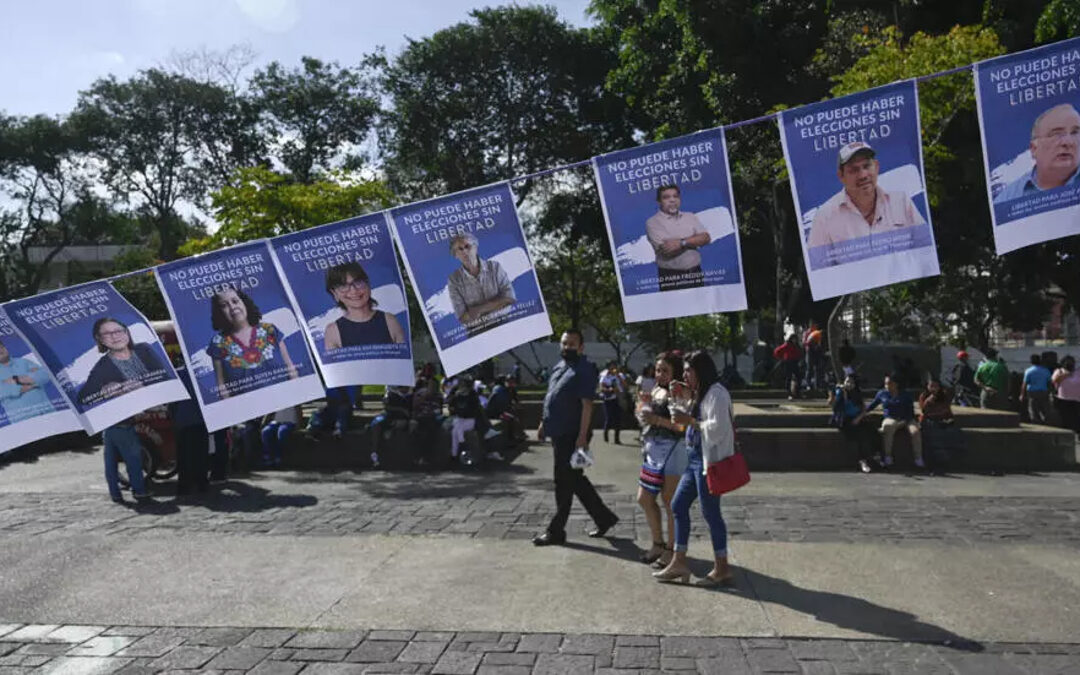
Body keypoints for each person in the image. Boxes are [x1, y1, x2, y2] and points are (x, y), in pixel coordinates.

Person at [653, 351, 734, 587]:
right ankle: (679, 561)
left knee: (711, 513)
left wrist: (689, 421)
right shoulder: (702, 393)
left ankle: (722, 567)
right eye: (685, 370)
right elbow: (694, 414)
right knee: (678, 505)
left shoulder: (717, 393)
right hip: (694, 460)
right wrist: (684, 398)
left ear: (701, 371)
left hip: (709, 463)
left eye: (689, 370)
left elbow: (717, 428)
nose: (685, 374)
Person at [532, 329, 618, 546]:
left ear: (581, 347)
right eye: (564, 343)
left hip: (572, 433)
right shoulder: (559, 367)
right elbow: (551, 397)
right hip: (557, 431)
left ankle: (556, 531)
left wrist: (582, 436)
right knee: (575, 480)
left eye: (572, 344)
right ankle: (604, 518)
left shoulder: (584, 369)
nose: (567, 347)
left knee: (563, 482)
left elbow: (587, 406)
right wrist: (544, 422)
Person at [807, 141, 925, 250]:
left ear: (877, 167)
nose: (863, 175)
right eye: (854, 170)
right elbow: (820, 268)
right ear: (841, 176)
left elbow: (925, 248)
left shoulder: (901, 201)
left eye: (867, 166)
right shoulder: (824, 217)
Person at [635, 351, 689, 567]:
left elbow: (683, 426)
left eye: (665, 370)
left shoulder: (680, 392)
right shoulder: (655, 390)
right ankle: (657, 542)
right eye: (658, 370)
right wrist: (642, 409)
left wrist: (657, 419)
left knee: (670, 501)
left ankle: (671, 549)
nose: (660, 374)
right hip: (653, 449)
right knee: (644, 497)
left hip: (675, 449)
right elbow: (644, 417)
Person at [207, 287, 298, 399]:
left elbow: (290, 367)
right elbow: (222, 387)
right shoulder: (218, 343)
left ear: (244, 303)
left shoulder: (269, 330)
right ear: (219, 312)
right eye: (224, 305)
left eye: (235, 301)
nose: (232, 307)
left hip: (286, 401)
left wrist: (296, 397)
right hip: (247, 411)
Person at [994, 103, 1080, 203]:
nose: (1068, 142)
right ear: (1034, 149)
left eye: (1075, 133)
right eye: (1057, 134)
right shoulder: (1007, 198)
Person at [78, 318, 168, 408]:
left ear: (126, 332)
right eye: (106, 334)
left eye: (118, 331)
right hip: (137, 411)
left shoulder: (144, 349)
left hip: (165, 400)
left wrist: (142, 385)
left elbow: (165, 376)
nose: (114, 336)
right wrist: (103, 390)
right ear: (100, 339)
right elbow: (82, 398)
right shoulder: (102, 366)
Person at [322, 262, 406, 350]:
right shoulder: (333, 331)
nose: (353, 291)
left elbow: (404, 361)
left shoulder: (389, 320)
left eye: (358, 282)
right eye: (343, 286)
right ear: (334, 293)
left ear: (368, 284)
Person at [645, 184, 712, 291]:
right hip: (671, 278)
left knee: (699, 307)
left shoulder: (690, 216)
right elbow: (668, 251)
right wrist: (694, 240)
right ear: (659, 201)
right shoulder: (652, 222)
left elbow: (706, 238)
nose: (672, 200)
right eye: (666, 197)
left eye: (675, 196)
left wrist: (681, 242)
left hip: (696, 274)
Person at [446, 232, 516, 331]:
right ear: (455, 255)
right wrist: (497, 303)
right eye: (460, 249)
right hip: (478, 332)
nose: (465, 251)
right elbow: (462, 317)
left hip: (506, 323)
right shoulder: (454, 280)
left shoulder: (495, 267)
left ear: (475, 247)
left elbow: (510, 298)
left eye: (467, 246)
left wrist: (478, 309)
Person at [865, 373, 924, 469]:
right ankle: (888, 456)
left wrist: (905, 421)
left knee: (915, 432)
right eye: (886, 384)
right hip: (890, 418)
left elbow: (910, 411)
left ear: (896, 384)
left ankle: (918, 459)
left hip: (906, 418)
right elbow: (871, 406)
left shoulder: (905, 395)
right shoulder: (882, 394)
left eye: (889, 383)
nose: (887, 386)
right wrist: (861, 412)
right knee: (888, 427)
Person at [170, 361, 209, 497]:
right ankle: (201, 483)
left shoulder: (178, 373)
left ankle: (184, 486)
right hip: (200, 419)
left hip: (183, 420)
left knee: (184, 455)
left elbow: (172, 399)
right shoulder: (202, 373)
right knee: (201, 454)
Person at [829, 374, 877, 473]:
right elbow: (834, 406)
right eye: (847, 381)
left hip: (856, 418)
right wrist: (836, 394)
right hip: (843, 419)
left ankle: (875, 457)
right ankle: (862, 460)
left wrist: (858, 418)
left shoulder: (857, 394)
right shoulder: (840, 393)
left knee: (870, 431)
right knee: (857, 435)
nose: (848, 384)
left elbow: (864, 409)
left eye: (851, 382)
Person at [0, 338, 54, 423]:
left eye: (1, 347)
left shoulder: (23, 362)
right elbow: (2, 391)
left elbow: (45, 375)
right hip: (24, 421)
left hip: (48, 413)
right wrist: (31, 382)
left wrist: (16, 380)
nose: (0, 350)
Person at [918, 377, 963, 472]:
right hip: (929, 421)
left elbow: (946, 410)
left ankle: (947, 460)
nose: (933, 388)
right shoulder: (924, 396)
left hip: (942, 421)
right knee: (932, 433)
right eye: (931, 386)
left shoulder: (944, 396)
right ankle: (934, 462)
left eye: (935, 386)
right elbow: (924, 411)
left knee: (953, 434)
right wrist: (929, 400)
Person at [102, 419, 150, 504]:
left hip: (108, 431)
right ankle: (139, 491)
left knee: (110, 465)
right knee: (134, 463)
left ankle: (115, 494)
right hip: (125, 429)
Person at [1052, 355, 1080, 438]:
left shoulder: (1078, 372)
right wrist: (1066, 375)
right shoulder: (1059, 371)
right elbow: (1054, 381)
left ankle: (1077, 433)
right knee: (1065, 418)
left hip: (1077, 399)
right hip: (1063, 399)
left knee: (1077, 417)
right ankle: (1067, 434)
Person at [1021, 354, 1053, 424]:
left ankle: (1035, 422)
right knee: (1044, 408)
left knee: (1033, 408)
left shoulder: (1028, 371)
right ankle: (1046, 421)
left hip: (1032, 392)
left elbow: (1024, 384)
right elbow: (1050, 383)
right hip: (1044, 391)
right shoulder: (1046, 370)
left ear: (1031, 361)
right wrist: (1049, 392)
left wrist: (1022, 395)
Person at [599, 361, 625, 444]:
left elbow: (625, 385)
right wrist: (611, 389)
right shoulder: (605, 376)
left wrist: (618, 376)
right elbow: (601, 387)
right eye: (611, 366)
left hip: (616, 399)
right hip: (607, 399)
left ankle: (616, 439)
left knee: (618, 419)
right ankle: (606, 435)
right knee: (609, 418)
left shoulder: (619, 375)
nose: (613, 367)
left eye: (614, 366)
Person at [773, 334, 803, 400]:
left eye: (795, 339)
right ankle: (789, 393)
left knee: (798, 377)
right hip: (789, 362)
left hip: (795, 362)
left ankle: (797, 392)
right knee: (788, 377)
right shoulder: (787, 345)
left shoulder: (797, 346)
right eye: (793, 339)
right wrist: (781, 358)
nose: (794, 340)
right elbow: (777, 351)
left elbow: (799, 353)